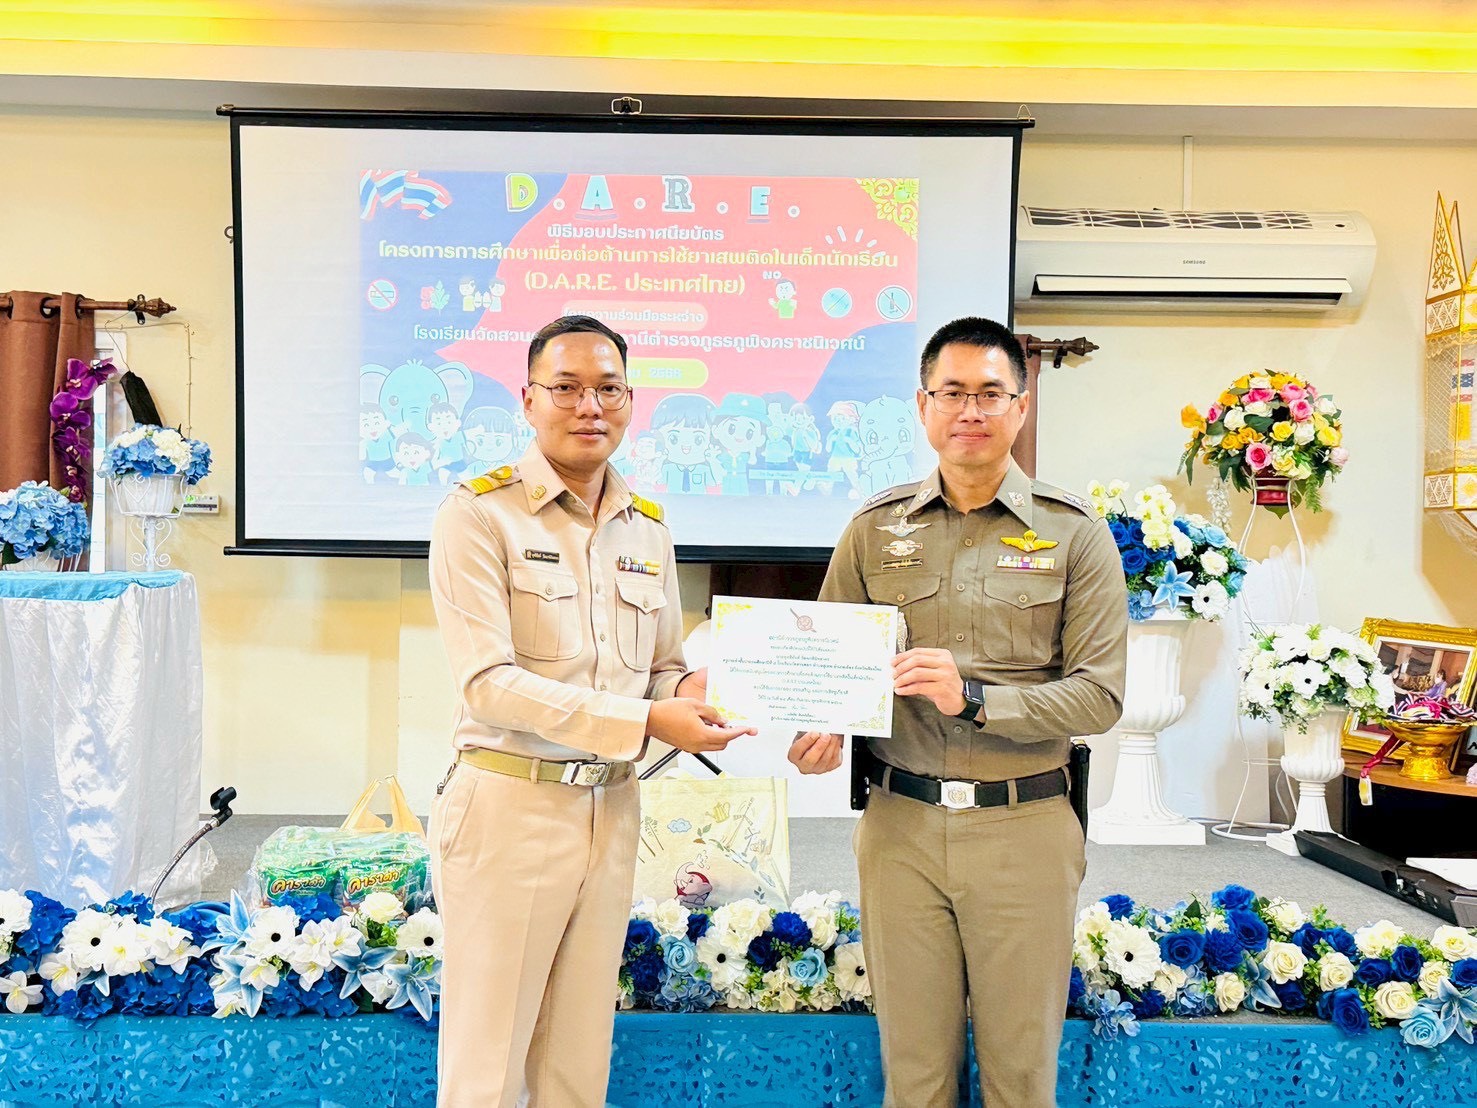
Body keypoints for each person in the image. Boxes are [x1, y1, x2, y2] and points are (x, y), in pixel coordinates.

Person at [788, 317, 1127, 1108]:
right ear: (922, 405)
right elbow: (827, 666)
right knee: (915, 1079)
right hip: (900, 830)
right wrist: (821, 727)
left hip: (1023, 829)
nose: (969, 410)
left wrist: (974, 701)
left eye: (989, 393)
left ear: (1020, 405)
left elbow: (1100, 695)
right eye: (951, 393)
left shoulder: (1073, 534)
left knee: (1019, 1079)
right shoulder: (874, 529)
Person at [429, 314, 754, 1108]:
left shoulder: (646, 528)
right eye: (566, 388)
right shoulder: (479, 514)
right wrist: (646, 721)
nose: (589, 406)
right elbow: (488, 683)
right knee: (487, 1066)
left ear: (630, 400)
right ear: (528, 399)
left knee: (577, 1062)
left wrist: (694, 693)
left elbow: (663, 669)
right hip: (512, 804)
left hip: (610, 808)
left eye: (608, 389)